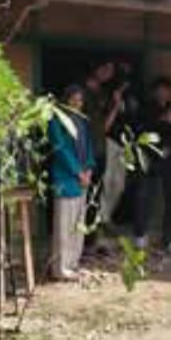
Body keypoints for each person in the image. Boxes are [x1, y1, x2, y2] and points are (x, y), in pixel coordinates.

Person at [48, 84, 96, 281]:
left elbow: (89, 148)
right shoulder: (56, 121)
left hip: (82, 179)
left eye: (80, 100)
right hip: (66, 178)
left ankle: (73, 263)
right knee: (64, 225)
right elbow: (60, 149)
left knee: (78, 224)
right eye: (73, 99)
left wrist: (89, 169)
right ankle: (60, 269)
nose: (77, 103)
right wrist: (78, 172)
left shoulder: (82, 122)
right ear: (65, 100)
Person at [133, 76, 171, 255]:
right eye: (160, 90)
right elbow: (139, 132)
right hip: (149, 160)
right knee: (144, 197)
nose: (164, 94)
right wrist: (162, 120)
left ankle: (169, 239)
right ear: (154, 92)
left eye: (167, 91)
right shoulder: (145, 109)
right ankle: (140, 236)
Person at [100, 59, 141, 228]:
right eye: (122, 72)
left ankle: (107, 215)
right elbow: (102, 120)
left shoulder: (133, 94)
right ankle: (103, 219)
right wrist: (115, 103)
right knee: (107, 180)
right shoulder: (107, 92)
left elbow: (134, 116)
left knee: (120, 185)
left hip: (126, 143)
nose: (125, 78)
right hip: (109, 140)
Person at [83, 60, 114, 239]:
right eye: (104, 68)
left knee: (95, 194)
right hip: (86, 152)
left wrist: (115, 106)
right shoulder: (82, 93)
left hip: (99, 150)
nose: (107, 74)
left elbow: (104, 127)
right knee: (84, 197)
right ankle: (84, 241)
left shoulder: (102, 94)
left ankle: (91, 239)